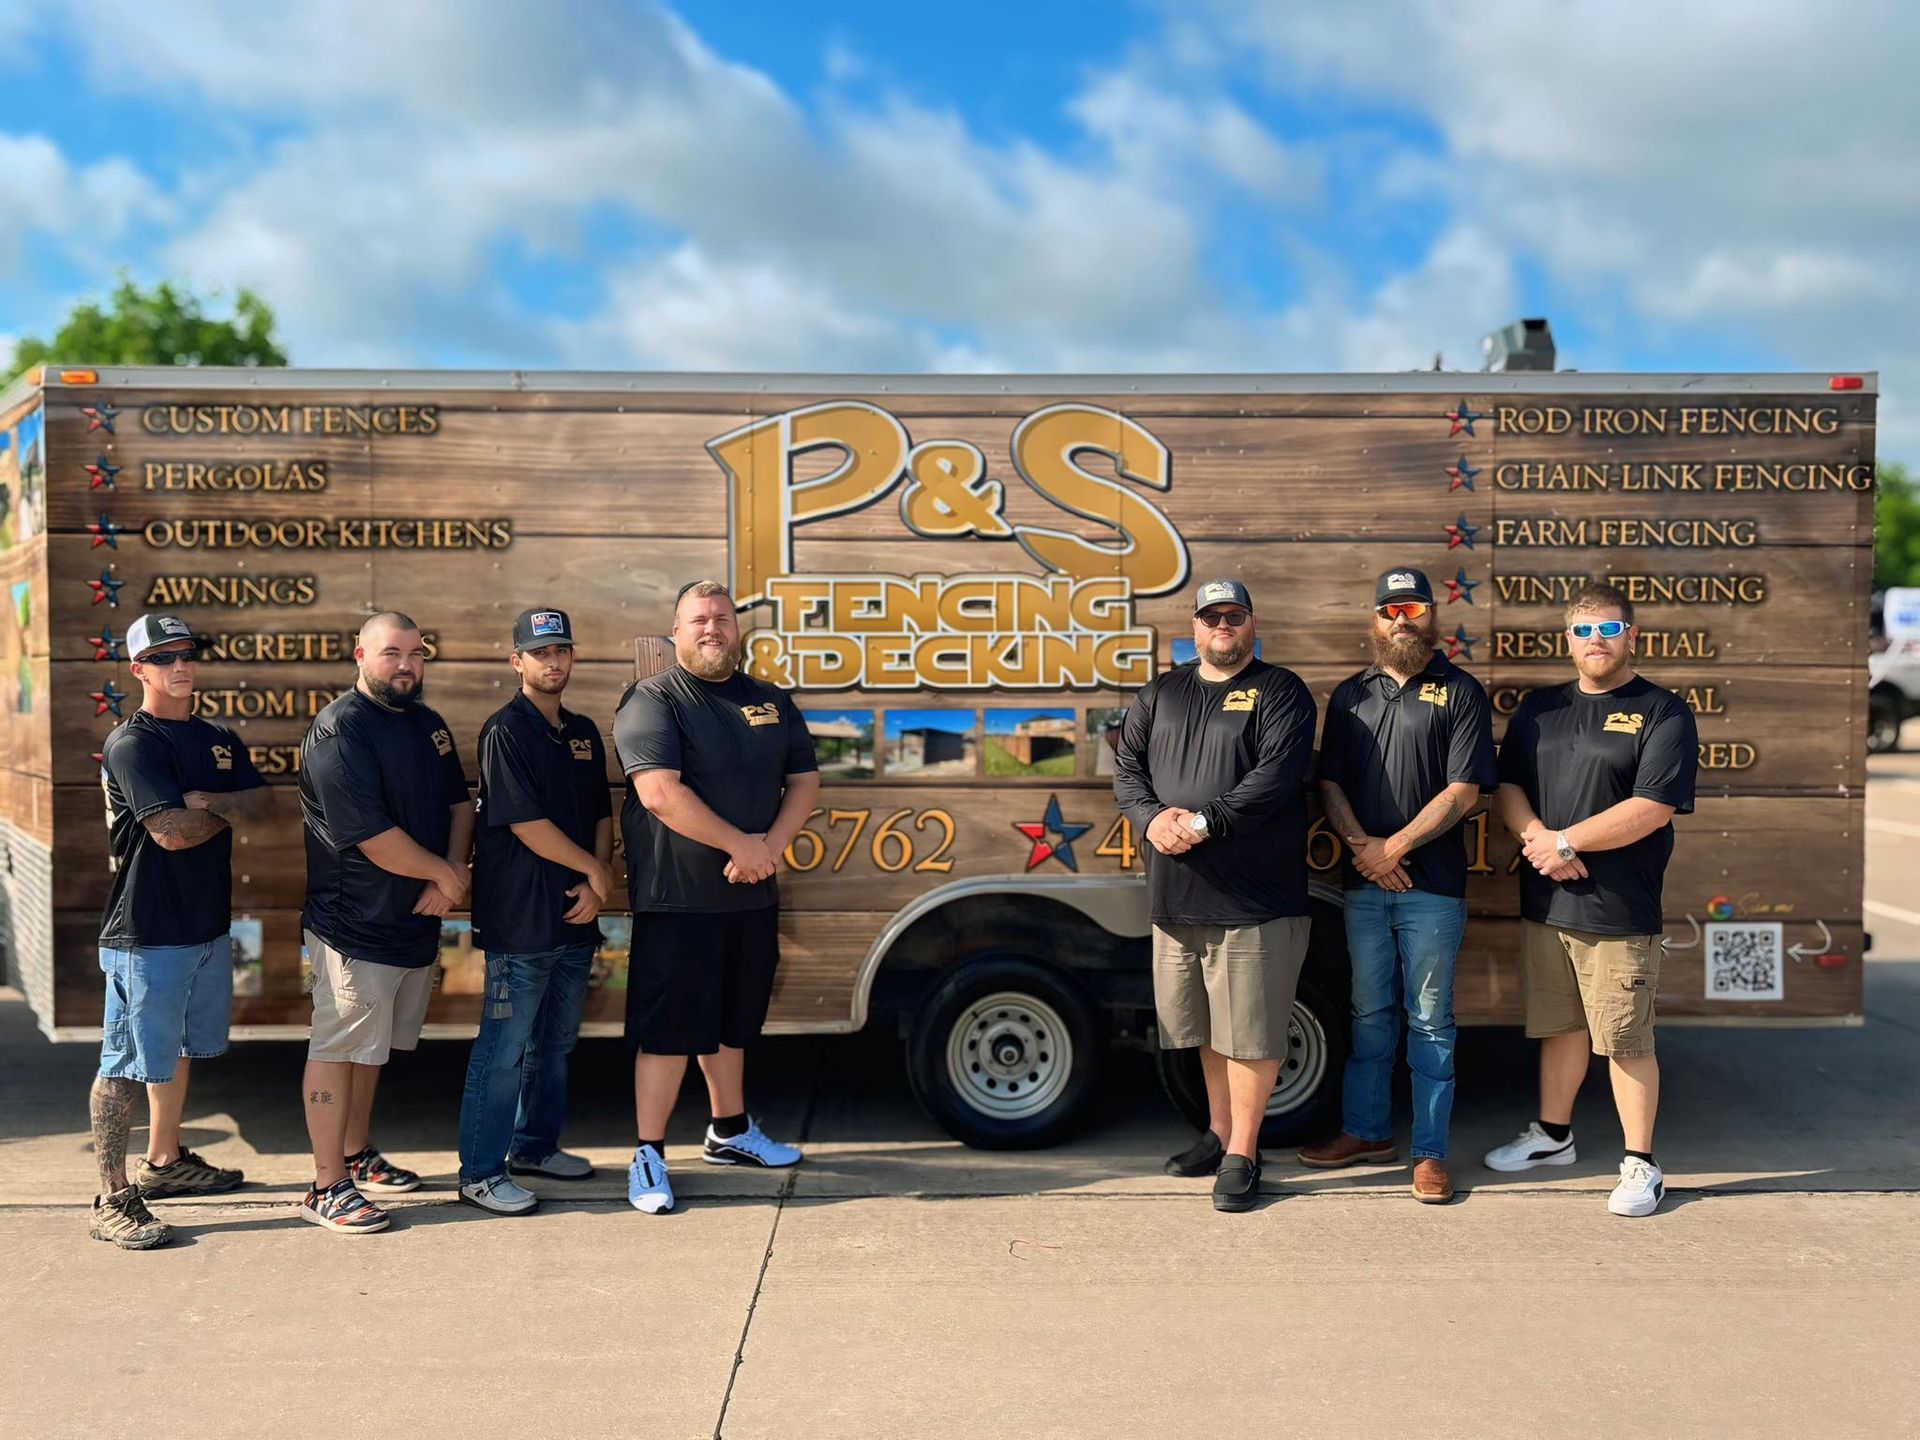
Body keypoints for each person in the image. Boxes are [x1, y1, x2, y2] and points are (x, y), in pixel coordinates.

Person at [1484, 580, 1697, 1217]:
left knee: (1626, 1039)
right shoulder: (1539, 710)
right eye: (1584, 630)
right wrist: (1539, 841)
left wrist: (1567, 844)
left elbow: (1653, 807)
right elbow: (1510, 786)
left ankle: (1641, 1165)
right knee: (1561, 1028)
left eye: (1609, 629)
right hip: (1548, 902)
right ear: (1568, 639)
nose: (1596, 640)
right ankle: (1553, 1138)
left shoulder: (1663, 711)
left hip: (1619, 908)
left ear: (1632, 635)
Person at [611, 581, 820, 1215]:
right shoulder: (653, 700)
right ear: (675, 632)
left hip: (751, 897)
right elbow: (659, 794)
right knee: (670, 1032)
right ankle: (647, 1153)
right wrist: (741, 845)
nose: (712, 629)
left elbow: (804, 779)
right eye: (698, 620)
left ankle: (729, 1131)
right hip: (679, 901)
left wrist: (768, 849)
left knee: (733, 1024)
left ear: (737, 629)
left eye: (722, 619)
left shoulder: (769, 700)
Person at [1112, 578, 1318, 1212]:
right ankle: (1220, 1131)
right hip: (1178, 897)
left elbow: (1276, 777)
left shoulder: (1281, 691)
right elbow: (1127, 769)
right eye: (1211, 617)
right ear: (1194, 626)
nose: (1222, 626)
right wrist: (1150, 819)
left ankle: (1245, 1153)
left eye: (1234, 616)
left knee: (1251, 1032)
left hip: (1256, 901)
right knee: (1206, 1027)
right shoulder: (1161, 692)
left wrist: (1200, 823)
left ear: (1252, 623)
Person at [1299, 569, 1496, 1203]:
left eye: (1411, 608)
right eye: (1389, 609)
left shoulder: (1460, 691)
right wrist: (1366, 850)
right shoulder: (1350, 693)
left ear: (1431, 616)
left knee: (1431, 1021)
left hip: (1432, 887)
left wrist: (1395, 849)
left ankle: (1430, 1154)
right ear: (1374, 620)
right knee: (1369, 1014)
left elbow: (1465, 791)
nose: (1400, 620)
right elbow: (1330, 783)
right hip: (1363, 883)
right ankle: (1366, 1132)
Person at [88, 613, 271, 1248]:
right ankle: (111, 1196)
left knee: (179, 1052)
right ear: (138, 669)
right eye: (163, 659)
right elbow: (169, 833)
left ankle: (164, 1163)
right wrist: (218, 807)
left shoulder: (216, 735)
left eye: (187, 655)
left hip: (204, 926)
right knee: (125, 1061)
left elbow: (265, 804)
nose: (180, 667)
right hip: (145, 931)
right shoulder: (132, 744)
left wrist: (206, 804)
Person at [297, 612, 473, 1234]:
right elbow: (370, 836)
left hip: (412, 923)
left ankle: (355, 1152)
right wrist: (448, 878)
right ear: (360, 655)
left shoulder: (428, 725)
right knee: (339, 1048)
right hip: (354, 928)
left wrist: (448, 869)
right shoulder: (340, 732)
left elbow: (458, 802)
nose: (405, 665)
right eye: (391, 652)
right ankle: (325, 1185)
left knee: (371, 1053)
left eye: (415, 653)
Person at [455, 608, 614, 1215]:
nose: (553, 662)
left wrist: (595, 885)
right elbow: (524, 823)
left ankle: (535, 1148)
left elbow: (601, 812)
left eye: (561, 651)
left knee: (554, 1045)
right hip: (521, 922)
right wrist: (595, 872)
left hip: (575, 916)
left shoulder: (581, 730)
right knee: (504, 1049)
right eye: (540, 653)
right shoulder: (505, 731)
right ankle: (479, 1172)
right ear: (516, 661)